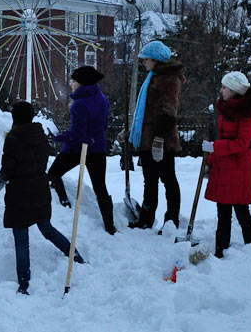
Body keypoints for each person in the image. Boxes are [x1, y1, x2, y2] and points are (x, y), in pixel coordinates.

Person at [0, 101, 85, 295]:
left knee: (21, 237)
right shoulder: (41, 137)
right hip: (39, 189)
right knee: (47, 228)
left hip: (20, 193)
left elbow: (8, 170)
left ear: (14, 118)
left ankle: (24, 283)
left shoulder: (13, 140)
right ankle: (74, 256)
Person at [202, 72, 251, 258]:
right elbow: (224, 138)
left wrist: (215, 147)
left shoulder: (247, 113)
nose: (221, 90)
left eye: (224, 87)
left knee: (241, 212)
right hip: (224, 168)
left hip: (239, 170)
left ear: (234, 90)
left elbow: (241, 143)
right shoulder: (227, 109)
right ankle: (220, 252)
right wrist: (210, 162)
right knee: (223, 214)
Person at [48, 66, 117, 235]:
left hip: (76, 149)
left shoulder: (79, 104)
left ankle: (64, 205)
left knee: (53, 174)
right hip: (98, 148)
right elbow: (104, 126)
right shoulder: (102, 99)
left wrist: (57, 138)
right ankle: (110, 226)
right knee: (100, 187)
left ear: (81, 83)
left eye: (73, 81)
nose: (71, 84)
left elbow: (77, 134)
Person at [127, 40, 185, 232]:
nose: (143, 63)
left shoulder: (168, 79)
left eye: (146, 59)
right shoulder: (152, 77)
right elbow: (144, 112)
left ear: (154, 59)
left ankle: (171, 221)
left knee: (168, 179)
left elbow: (169, 112)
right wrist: (132, 130)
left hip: (162, 141)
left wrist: (159, 140)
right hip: (147, 138)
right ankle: (146, 218)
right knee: (149, 180)